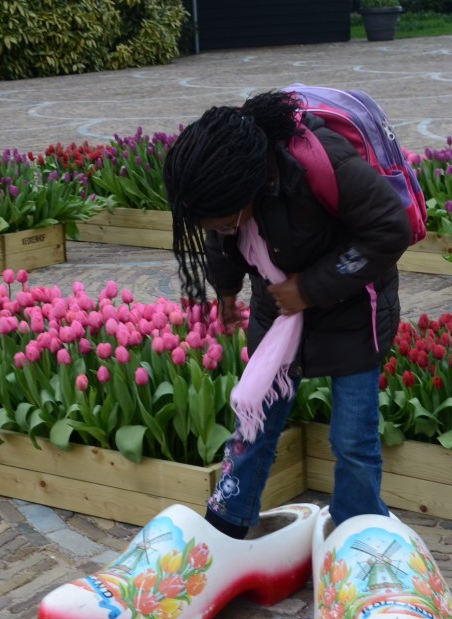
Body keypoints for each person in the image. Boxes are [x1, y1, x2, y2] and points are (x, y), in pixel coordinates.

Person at [163, 89, 411, 540]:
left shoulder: (323, 165)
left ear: (246, 190)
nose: (218, 229)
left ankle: (357, 530)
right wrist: (225, 291)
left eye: (222, 219)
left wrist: (309, 289)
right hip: (276, 311)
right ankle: (226, 528)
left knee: (352, 441)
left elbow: (389, 228)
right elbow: (221, 239)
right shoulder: (226, 191)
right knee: (252, 424)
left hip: (353, 313)